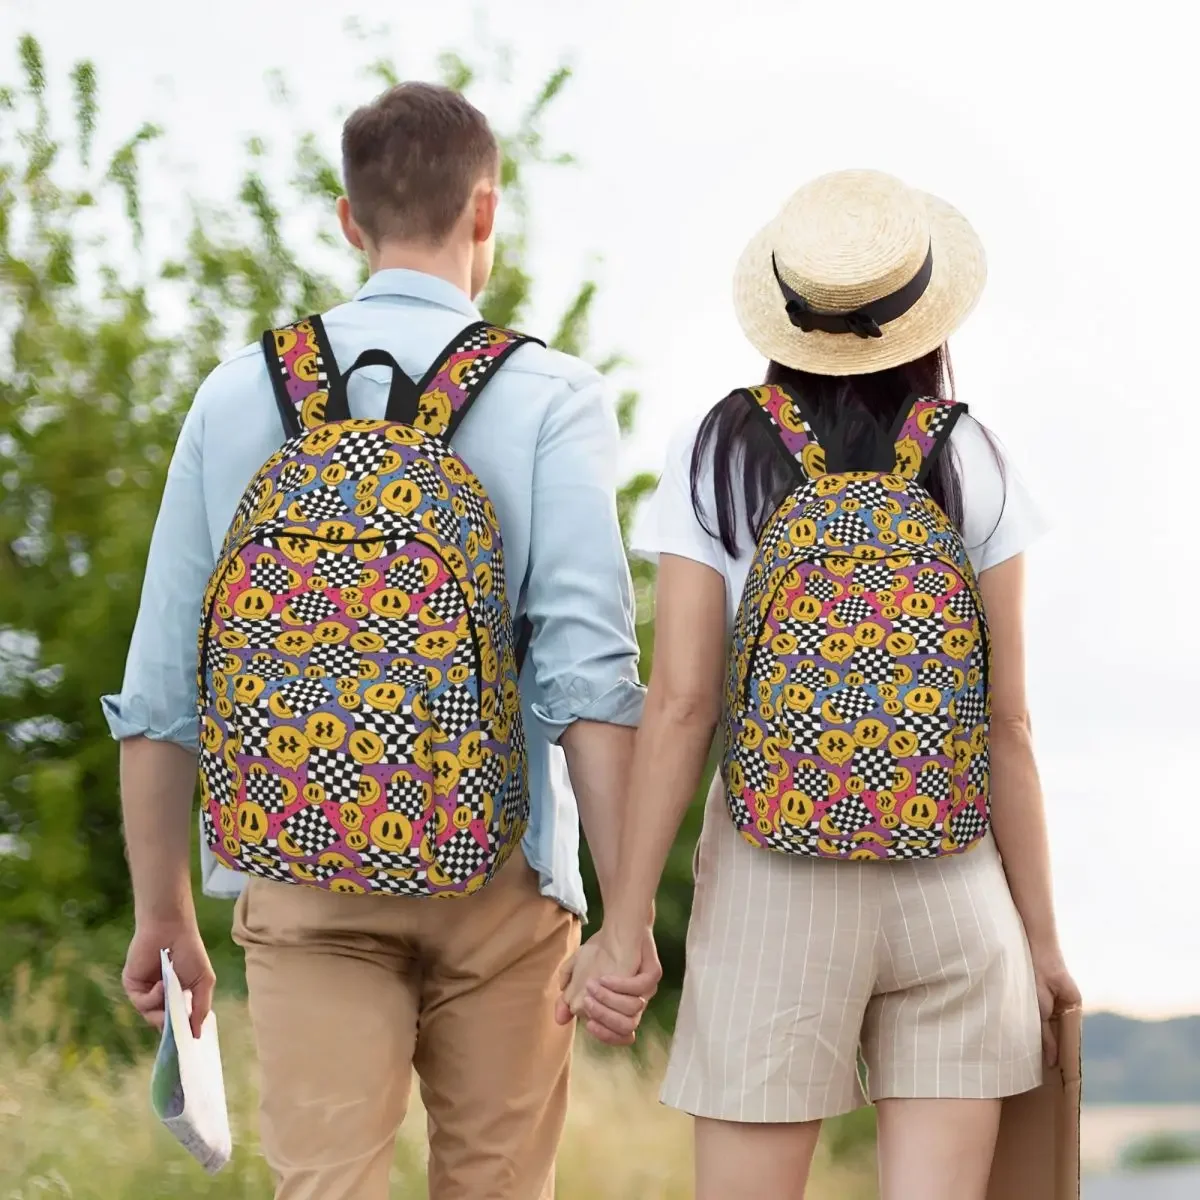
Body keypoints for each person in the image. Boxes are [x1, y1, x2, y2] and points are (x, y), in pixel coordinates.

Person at [105, 81, 660, 1200]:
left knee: (325, 1187)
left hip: (298, 868)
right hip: (500, 875)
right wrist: (627, 916)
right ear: (486, 213)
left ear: (349, 220)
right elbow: (589, 679)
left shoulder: (236, 395)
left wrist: (162, 910)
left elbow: (164, 682)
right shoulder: (550, 395)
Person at [560, 169, 1081, 1200]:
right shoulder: (973, 455)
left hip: (773, 877)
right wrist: (1043, 943)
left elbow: (682, 705)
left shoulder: (718, 451)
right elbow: (1008, 723)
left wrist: (624, 927)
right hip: (955, 882)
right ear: (925, 315)